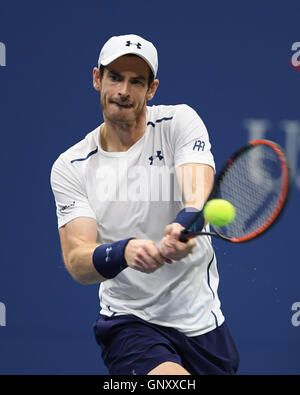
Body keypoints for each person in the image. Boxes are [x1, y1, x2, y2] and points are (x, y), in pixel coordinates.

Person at [50, 34, 239, 375]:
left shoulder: (179, 121)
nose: (124, 90)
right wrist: (125, 252)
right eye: (115, 77)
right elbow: (77, 260)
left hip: (203, 324)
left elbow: (197, 191)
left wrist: (185, 222)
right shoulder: (71, 166)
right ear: (97, 79)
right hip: (130, 323)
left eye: (136, 82)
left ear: (151, 89)